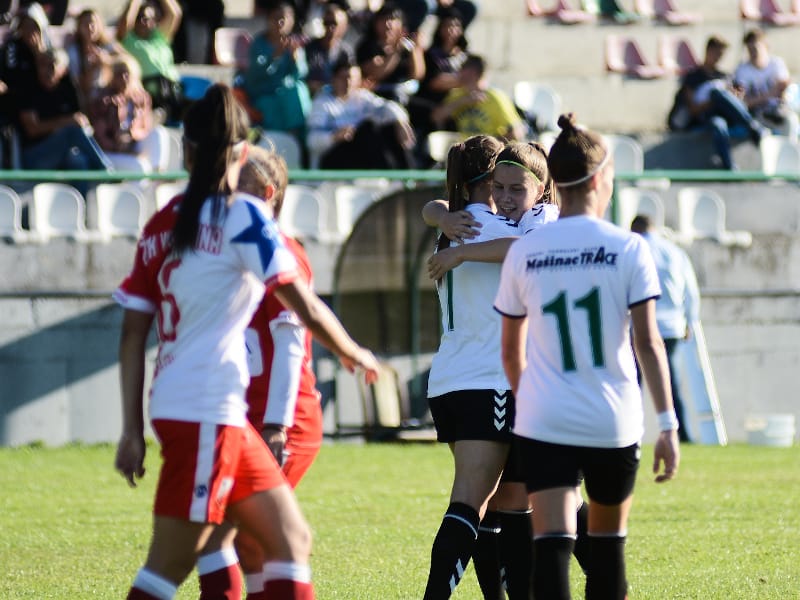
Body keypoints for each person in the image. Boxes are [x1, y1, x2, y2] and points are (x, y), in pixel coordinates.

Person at [113, 83, 379, 600]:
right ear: (240, 152)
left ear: (185, 151)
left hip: (201, 410)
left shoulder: (160, 224)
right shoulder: (244, 215)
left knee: (289, 541)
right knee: (166, 569)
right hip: (206, 412)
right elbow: (299, 303)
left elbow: (131, 334)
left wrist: (130, 429)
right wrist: (351, 350)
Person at [494, 113, 680, 600]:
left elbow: (511, 349)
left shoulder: (524, 251)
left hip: (545, 417)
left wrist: (530, 399)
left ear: (553, 180)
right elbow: (649, 343)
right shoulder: (630, 248)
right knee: (607, 547)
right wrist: (668, 423)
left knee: (552, 545)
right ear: (600, 179)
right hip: (611, 417)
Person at [423, 135, 541, 600]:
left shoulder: (451, 223)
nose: (509, 191)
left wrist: (438, 214)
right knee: (475, 500)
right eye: (501, 180)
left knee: (504, 500)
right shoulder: (485, 229)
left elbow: (434, 208)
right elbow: (531, 252)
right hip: (489, 379)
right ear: (488, 182)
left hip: (451, 380)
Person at [232, 145, 327, 600]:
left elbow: (290, 346)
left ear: (267, 194)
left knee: (240, 536)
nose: (226, 198)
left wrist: (277, 425)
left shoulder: (283, 252)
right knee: (245, 544)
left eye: (238, 189)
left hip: (283, 422)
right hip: (245, 417)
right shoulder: (236, 251)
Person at [631, 214, 700, 444]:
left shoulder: (632, 249)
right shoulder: (674, 252)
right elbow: (690, 291)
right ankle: (681, 432)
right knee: (669, 380)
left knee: (633, 382)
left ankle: (631, 432)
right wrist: (690, 321)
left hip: (638, 324)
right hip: (671, 325)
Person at [16, 48, 112, 197]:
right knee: (71, 131)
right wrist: (65, 122)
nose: (46, 70)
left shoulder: (69, 89)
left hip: (63, 153)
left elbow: (80, 121)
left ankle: (81, 210)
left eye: (52, 65)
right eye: (42, 65)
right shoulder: (28, 89)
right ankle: (105, 170)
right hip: (33, 157)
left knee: (79, 162)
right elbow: (32, 129)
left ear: (63, 69)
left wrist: (80, 123)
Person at [666, 35, 766, 171]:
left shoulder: (724, 76)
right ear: (708, 51)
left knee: (719, 115)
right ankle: (750, 129)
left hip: (723, 115)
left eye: (721, 55)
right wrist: (714, 101)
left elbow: (737, 98)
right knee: (717, 102)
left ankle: (731, 161)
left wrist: (734, 96)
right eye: (716, 53)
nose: (718, 58)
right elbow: (693, 109)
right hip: (703, 117)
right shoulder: (693, 77)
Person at [306, 56, 415, 169]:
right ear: (334, 79)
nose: (348, 82)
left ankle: (409, 175)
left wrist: (399, 121)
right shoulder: (322, 103)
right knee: (368, 128)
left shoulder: (361, 97)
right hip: (331, 159)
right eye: (343, 78)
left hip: (359, 154)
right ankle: (387, 172)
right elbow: (311, 141)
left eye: (352, 78)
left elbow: (387, 106)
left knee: (390, 127)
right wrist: (334, 136)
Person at [237, 1, 311, 140]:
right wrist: (274, 57)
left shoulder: (293, 44)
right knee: (271, 106)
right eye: (275, 18)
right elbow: (254, 75)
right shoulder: (258, 43)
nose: (280, 23)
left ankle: (296, 139)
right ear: (268, 20)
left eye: (284, 19)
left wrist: (296, 60)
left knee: (298, 90)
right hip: (262, 93)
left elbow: (300, 75)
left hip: (285, 93)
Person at [88, 55, 169, 173]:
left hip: (132, 144)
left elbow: (145, 127)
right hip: (109, 152)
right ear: (112, 76)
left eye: (127, 73)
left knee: (159, 132)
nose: (124, 77)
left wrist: (131, 136)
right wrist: (118, 144)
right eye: (119, 74)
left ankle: (158, 174)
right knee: (140, 166)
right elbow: (100, 135)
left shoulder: (141, 97)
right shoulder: (103, 99)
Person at [407, 8, 467, 156]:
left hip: (456, 103)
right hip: (431, 103)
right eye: (447, 25)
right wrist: (463, 80)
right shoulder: (432, 55)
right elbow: (435, 82)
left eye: (455, 26)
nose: (451, 30)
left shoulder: (464, 56)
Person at [117, 0, 185, 123]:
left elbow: (175, 14)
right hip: (150, 99)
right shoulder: (129, 41)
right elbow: (125, 22)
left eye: (150, 18)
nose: (146, 21)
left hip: (173, 93)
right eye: (141, 17)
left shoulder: (159, 37)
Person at [431, 54, 526, 142]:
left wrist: (490, 145)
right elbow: (436, 117)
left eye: (462, 68)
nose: (458, 72)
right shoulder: (458, 95)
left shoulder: (496, 98)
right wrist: (463, 101)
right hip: (463, 152)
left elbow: (517, 133)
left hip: (490, 153)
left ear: (471, 72)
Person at [355, 3, 425, 106]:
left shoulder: (406, 47)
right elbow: (377, 74)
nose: (388, 24)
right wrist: (395, 52)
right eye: (384, 19)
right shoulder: (367, 46)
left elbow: (417, 75)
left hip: (403, 95)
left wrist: (416, 49)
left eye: (393, 20)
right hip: (377, 96)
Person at [733, 28, 797, 136]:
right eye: (749, 49)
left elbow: (783, 92)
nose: (752, 53)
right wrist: (769, 94)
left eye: (755, 48)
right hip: (757, 115)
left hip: (779, 112)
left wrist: (775, 94)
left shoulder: (776, 64)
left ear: (765, 46)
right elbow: (744, 103)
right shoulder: (742, 70)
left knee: (791, 123)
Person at [66, 8, 128, 107]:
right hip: (90, 103)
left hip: (113, 95)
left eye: (94, 23)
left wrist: (108, 61)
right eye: (85, 24)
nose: (90, 28)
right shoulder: (74, 52)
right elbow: (80, 88)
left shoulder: (108, 45)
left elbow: (129, 62)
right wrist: (93, 68)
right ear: (79, 28)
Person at [304, 2, 353, 96]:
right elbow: (305, 80)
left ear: (344, 26)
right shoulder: (309, 48)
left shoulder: (346, 52)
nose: (330, 28)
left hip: (337, 100)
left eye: (334, 23)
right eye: (327, 23)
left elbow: (350, 79)